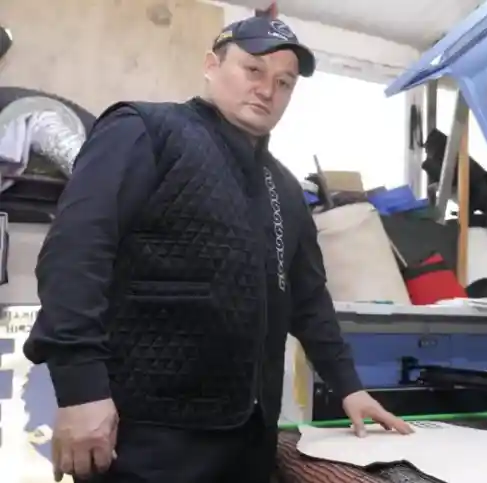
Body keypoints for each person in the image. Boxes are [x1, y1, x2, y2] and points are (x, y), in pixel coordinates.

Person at [23, 14, 413, 483]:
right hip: (149, 438)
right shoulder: (145, 131)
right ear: (211, 65)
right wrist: (81, 388)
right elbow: (74, 257)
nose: (267, 90)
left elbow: (308, 300)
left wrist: (349, 387)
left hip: (249, 440)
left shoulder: (285, 188)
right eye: (254, 70)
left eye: (284, 82)